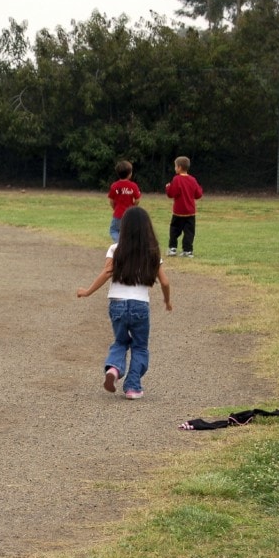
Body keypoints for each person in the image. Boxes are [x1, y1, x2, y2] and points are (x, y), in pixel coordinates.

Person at [76, 206, 172, 399]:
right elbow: (165, 282)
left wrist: (87, 291)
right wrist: (167, 300)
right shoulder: (152, 252)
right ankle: (133, 387)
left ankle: (113, 369)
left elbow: (106, 273)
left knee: (120, 341)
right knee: (140, 346)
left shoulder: (115, 249)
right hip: (140, 305)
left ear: (124, 227)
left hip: (117, 303)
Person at [165, 156, 203, 257]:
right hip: (190, 212)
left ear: (179, 167)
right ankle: (188, 250)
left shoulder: (176, 179)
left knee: (174, 230)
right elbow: (198, 194)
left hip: (178, 212)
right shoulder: (193, 180)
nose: (175, 168)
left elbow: (172, 194)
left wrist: (168, 188)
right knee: (189, 232)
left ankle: (172, 249)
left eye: (175, 166)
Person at [107, 160, 141, 242]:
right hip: (129, 214)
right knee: (129, 231)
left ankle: (119, 243)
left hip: (118, 214)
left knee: (114, 230)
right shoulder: (133, 186)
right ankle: (127, 244)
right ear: (129, 174)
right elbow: (137, 199)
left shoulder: (114, 186)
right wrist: (133, 207)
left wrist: (115, 208)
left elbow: (111, 200)